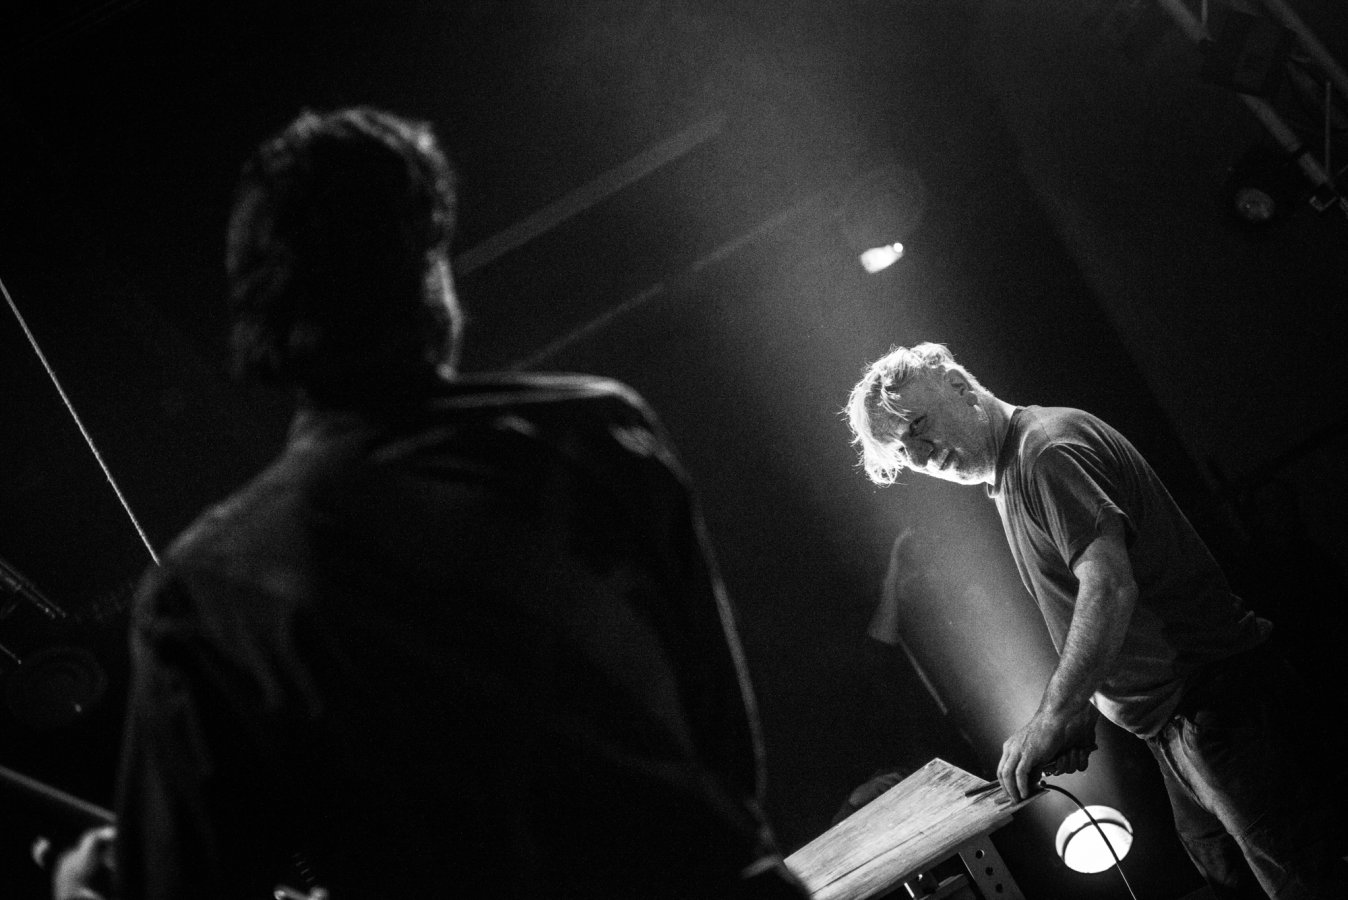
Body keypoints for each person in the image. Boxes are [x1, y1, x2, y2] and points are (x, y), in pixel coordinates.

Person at [52, 107, 808, 899]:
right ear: (425, 275)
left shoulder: (208, 593)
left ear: (262, 311)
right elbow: (725, 762)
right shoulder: (597, 431)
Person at [844, 341, 1345, 899]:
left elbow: (1109, 586)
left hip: (1221, 708)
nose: (919, 452)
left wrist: (1057, 713)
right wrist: (1084, 705)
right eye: (903, 449)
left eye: (917, 424)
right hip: (1179, 724)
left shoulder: (1045, 452)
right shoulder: (1013, 472)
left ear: (960, 388)